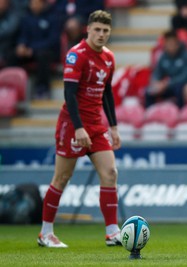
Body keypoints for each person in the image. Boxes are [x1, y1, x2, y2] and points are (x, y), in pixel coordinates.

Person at [37, 10, 122, 248]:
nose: (101, 34)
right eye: (97, 30)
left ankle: (112, 232)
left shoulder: (109, 58)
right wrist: (78, 127)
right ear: (88, 29)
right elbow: (69, 94)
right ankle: (45, 233)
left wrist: (113, 127)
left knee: (110, 173)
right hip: (73, 124)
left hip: (96, 125)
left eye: (105, 31)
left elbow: (106, 92)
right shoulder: (77, 55)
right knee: (62, 177)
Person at [12, 0, 60, 99]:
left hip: (47, 51)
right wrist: (21, 45)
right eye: (31, 3)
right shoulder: (26, 17)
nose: (33, 5)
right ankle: (11, 88)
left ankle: (42, 89)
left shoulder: (53, 17)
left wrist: (32, 49)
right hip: (29, 51)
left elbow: (52, 41)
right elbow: (23, 35)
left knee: (43, 55)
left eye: (35, 2)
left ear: (43, 3)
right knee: (11, 55)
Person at [145, 30, 187, 108]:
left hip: (178, 85)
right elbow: (157, 72)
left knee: (180, 89)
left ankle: (180, 113)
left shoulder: (186, 55)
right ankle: (150, 113)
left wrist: (168, 83)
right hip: (165, 86)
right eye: (168, 43)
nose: (170, 46)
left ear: (177, 43)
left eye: (172, 43)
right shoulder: (163, 56)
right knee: (148, 91)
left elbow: (186, 76)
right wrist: (156, 82)